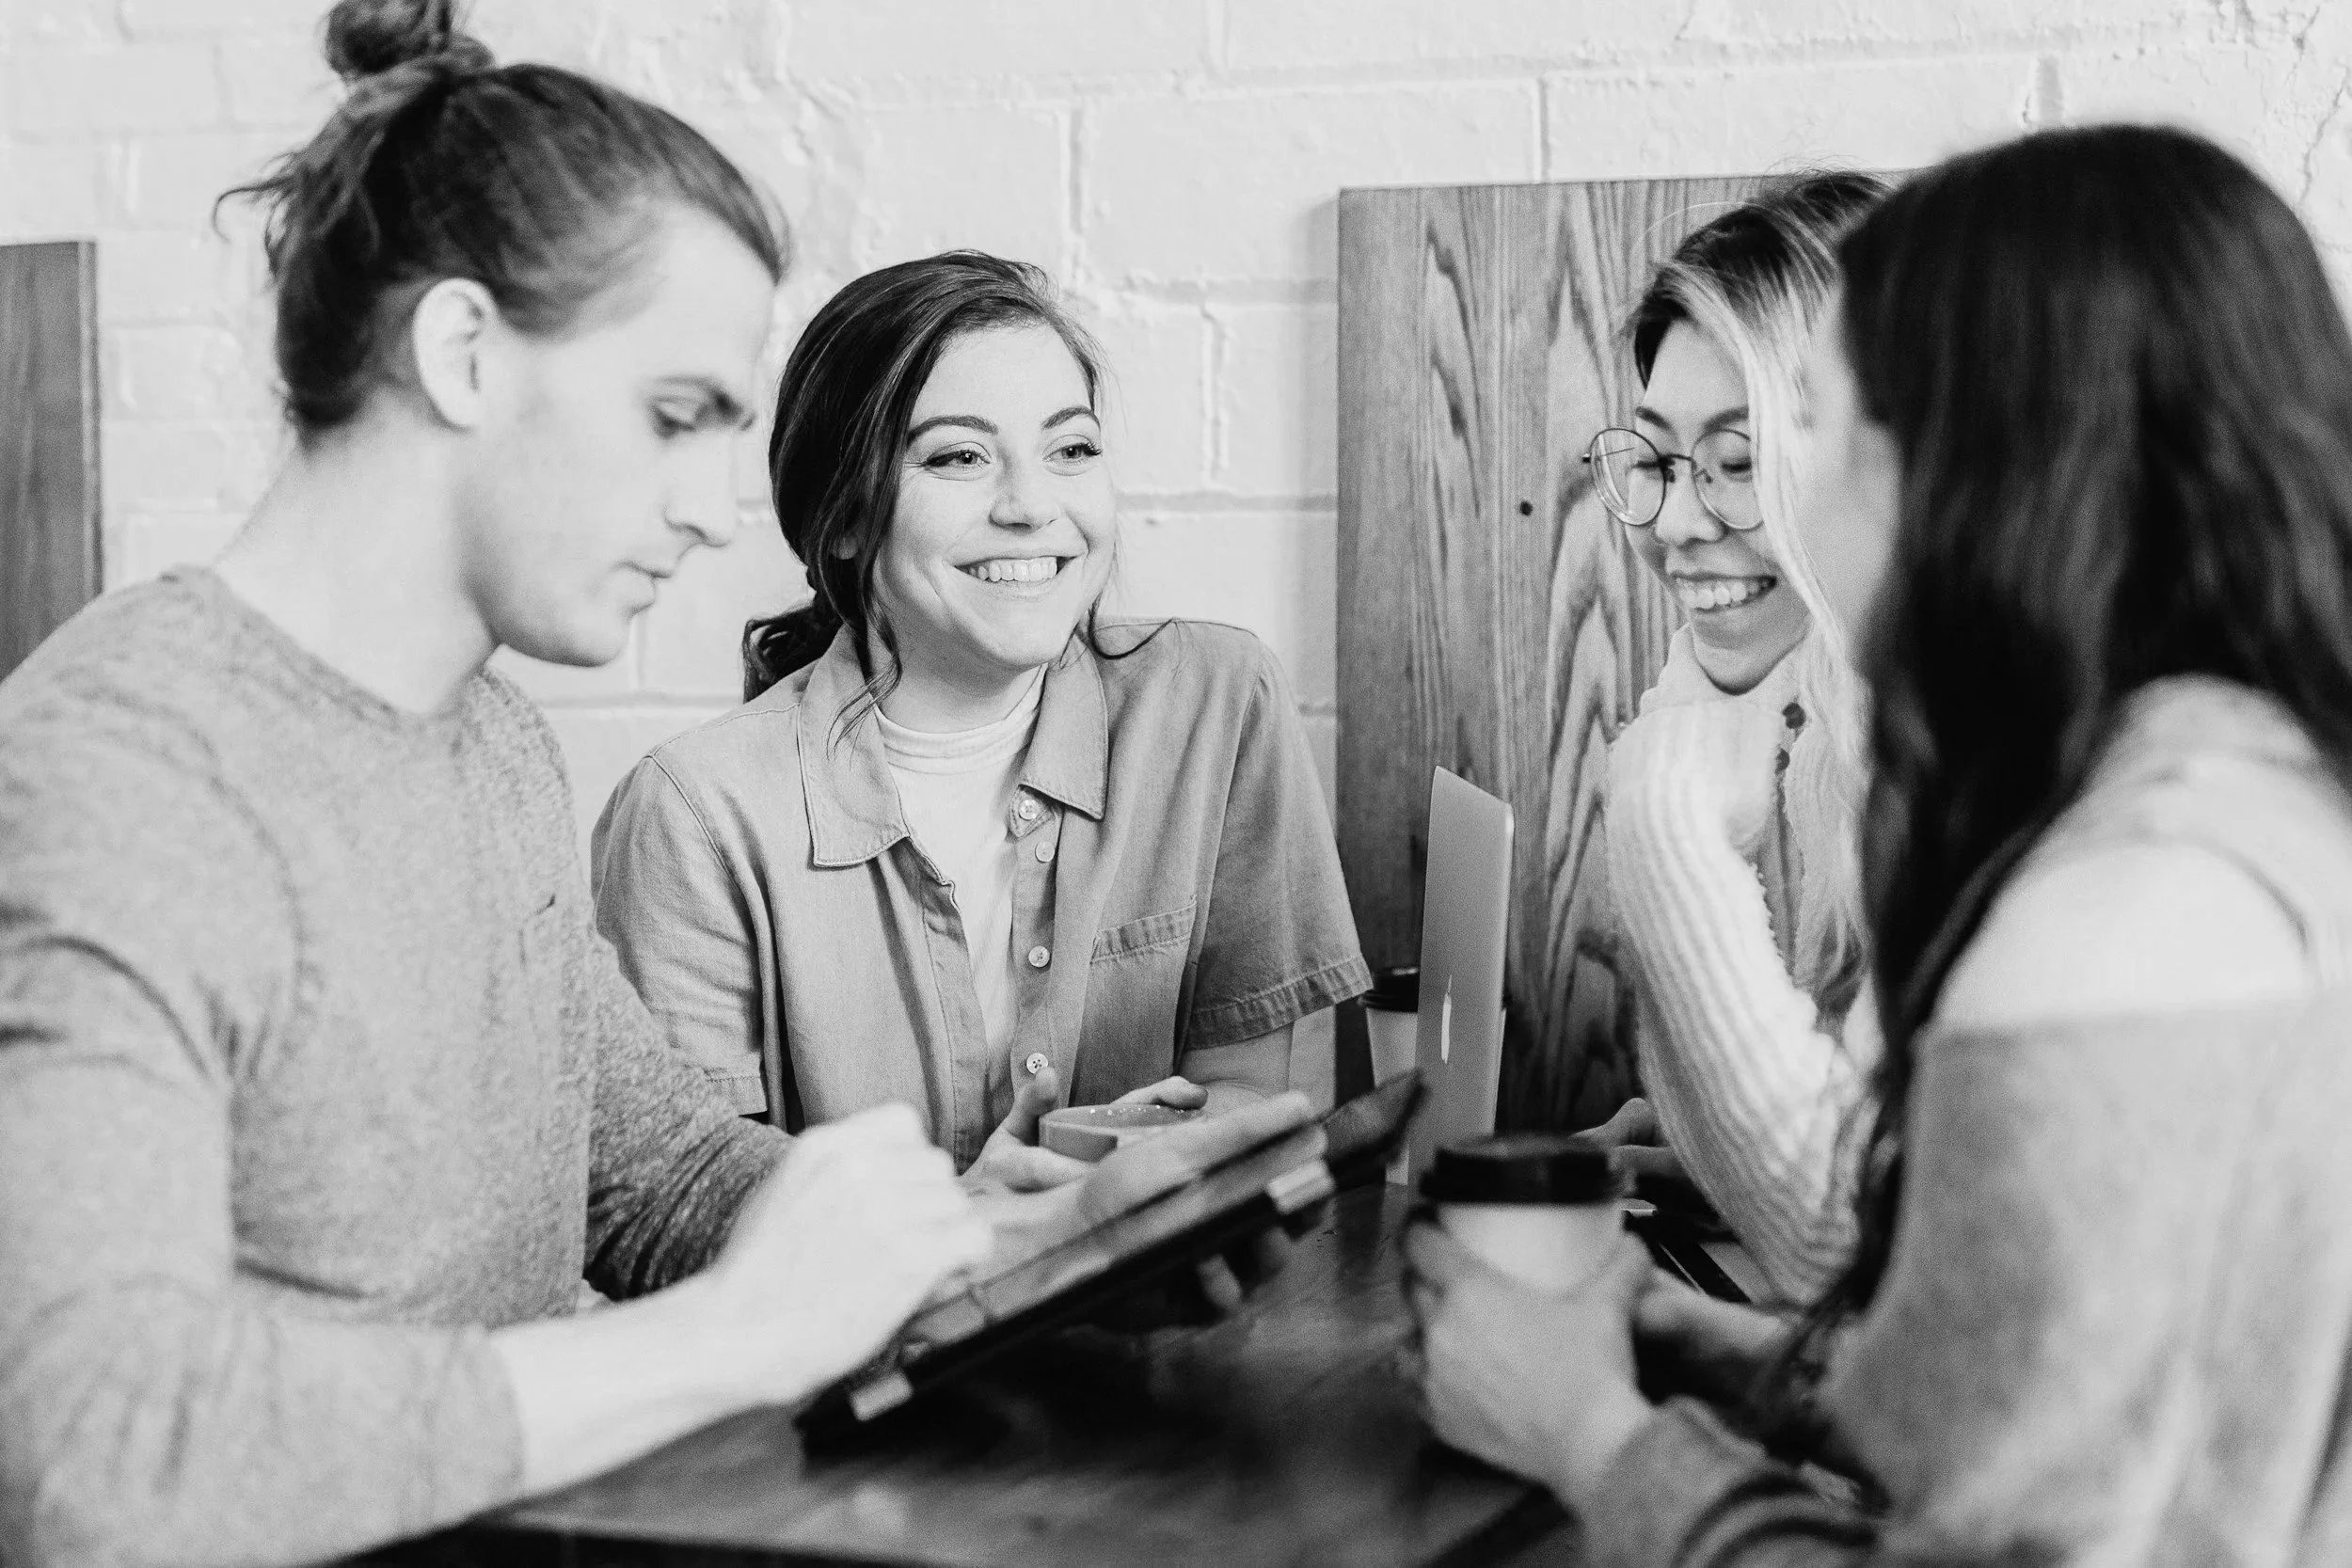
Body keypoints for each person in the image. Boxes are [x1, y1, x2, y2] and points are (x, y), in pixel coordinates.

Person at [0, 6, 1317, 1564]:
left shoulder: (484, 743)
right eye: (675, 416)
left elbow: (663, 1172)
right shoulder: (119, 771)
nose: (712, 509)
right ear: (464, 352)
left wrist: (1031, 1250)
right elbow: (90, 1452)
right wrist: (731, 1336)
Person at [1407, 123, 2352, 1561]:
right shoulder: (2255, 802)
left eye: (1825, 428)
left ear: (1979, 468)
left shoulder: (2117, 914)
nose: (1791, 495)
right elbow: (2083, 1420)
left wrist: (1584, 1427)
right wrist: (1739, 1362)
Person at [590, 250, 1372, 1177]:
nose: (1034, 505)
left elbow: (1265, 1092)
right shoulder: (694, 814)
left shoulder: (1215, 701)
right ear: (841, 516)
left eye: (1070, 449)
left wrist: (1128, 1163)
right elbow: (681, 1205)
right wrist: (993, 1218)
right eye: (957, 456)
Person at [1581, 172, 1885, 1302]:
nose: (1674, 520)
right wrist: (1716, 1149)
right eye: (1656, 459)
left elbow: (1844, 1251)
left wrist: (1660, 818)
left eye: (1740, 459)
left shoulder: (1962, 752)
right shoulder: (1752, 712)